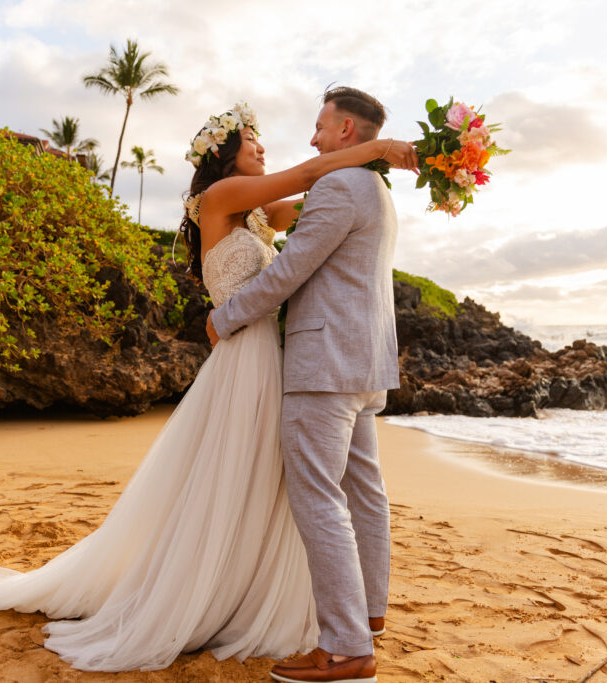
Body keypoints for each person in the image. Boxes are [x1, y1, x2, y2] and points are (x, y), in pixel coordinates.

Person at [0, 99, 417, 674]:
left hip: (289, 356)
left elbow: (310, 203)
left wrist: (374, 160)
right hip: (260, 355)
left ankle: (339, 618)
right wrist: (375, 151)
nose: (266, 146)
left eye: (313, 129)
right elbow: (306, 182)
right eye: (252, 142)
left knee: (297, 487)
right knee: (252, 479)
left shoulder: (267, 209)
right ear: (224, 156)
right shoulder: (218, 199)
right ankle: (317, 613)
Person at [207, 87, 403, 683]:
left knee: (319, 498)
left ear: (346, 130)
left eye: (320, 126)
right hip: (365, 363)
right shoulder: (376, 189)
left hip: (325, 364)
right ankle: (367, 616)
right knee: (364, 491)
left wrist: (225, 317)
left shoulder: (340, 186)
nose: (312, 138)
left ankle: (345, 649)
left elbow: (290, 272)